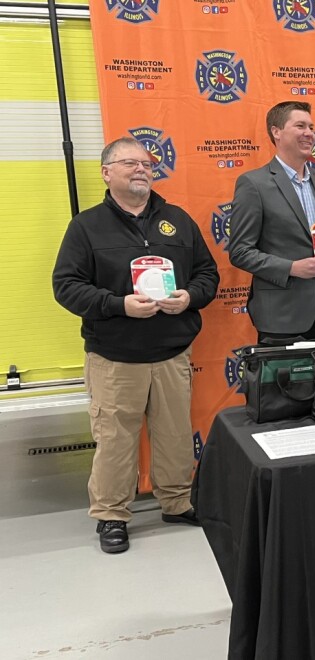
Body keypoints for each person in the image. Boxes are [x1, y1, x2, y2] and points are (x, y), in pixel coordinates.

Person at [52, 137, 219, 554]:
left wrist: (191, 297)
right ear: (107, 172)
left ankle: (177, 501)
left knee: (175, 434)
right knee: (115, 438)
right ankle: (111, 514)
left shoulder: (177, 220)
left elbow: (207, 274)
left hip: (171, 351)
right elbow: (66, 287)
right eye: (130, 163)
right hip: (114, 356)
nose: (142, 168)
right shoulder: (86, 227)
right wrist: (118, 305)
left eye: (147, 162)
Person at [229, 101, 315, 343]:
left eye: (312, 127)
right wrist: (292, 268)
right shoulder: (254, 184)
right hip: (281, 318)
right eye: (300, 126)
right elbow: (240, 252)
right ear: (276, 132)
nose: (310, 134)